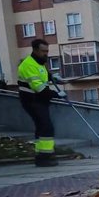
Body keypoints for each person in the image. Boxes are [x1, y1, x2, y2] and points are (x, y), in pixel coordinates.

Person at [17, 39, 67, 167]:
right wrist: (57, 95)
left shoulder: (38, 62)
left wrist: (52, 77)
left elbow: (42, 75)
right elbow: (39, 89)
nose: (46, 54)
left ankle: (41, 156)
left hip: (39, 101)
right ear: (35, 50)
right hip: (32, 100)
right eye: (43, 51)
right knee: (46, 127)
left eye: (47, 51)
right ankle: (45, 157)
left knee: (41, 127)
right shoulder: (28, 65)